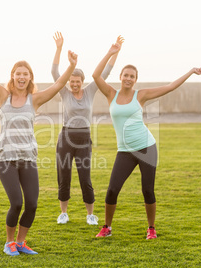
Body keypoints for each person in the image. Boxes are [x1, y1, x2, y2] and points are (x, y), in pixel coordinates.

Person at [0, 34, 77, 256]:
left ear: (30, 78)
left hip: (28, 158)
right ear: (12, 76)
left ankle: (21, 242)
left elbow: (58, 85)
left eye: (25, 74)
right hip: (6, 159)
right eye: (18, 73)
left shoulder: (34, 99)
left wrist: (71, 65)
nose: (21, 77)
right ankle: (9, 242)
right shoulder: (2, 96)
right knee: (16, 202)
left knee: (32, 204)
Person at [92, 38, 201, 239]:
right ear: (120, 76)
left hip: (146, 147)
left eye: (132, 76)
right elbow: (95, 75)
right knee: (112, 190)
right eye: (125, 75)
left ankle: (151, 229)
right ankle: (107, 227)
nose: (128, 78)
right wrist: (111, 52)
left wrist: (190, 72)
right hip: (124, 150)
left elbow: (169, 87)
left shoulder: (140, 95)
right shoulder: (110, 94)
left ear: (135, 79)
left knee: (147, 191)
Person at [51, 32, 123, 225]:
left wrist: (113, 52)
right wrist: (58, 48)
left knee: (85, 178)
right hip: (66, 138)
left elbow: (105, 72)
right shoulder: (64, 93)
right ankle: (63, 213)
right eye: (72, 82)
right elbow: (54, 73)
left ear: (82, 82)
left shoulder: (90, 91)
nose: (74, 84)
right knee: (63, 176)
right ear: (69, 82)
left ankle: (90, 214)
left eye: (77, 82)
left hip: (83, 138)